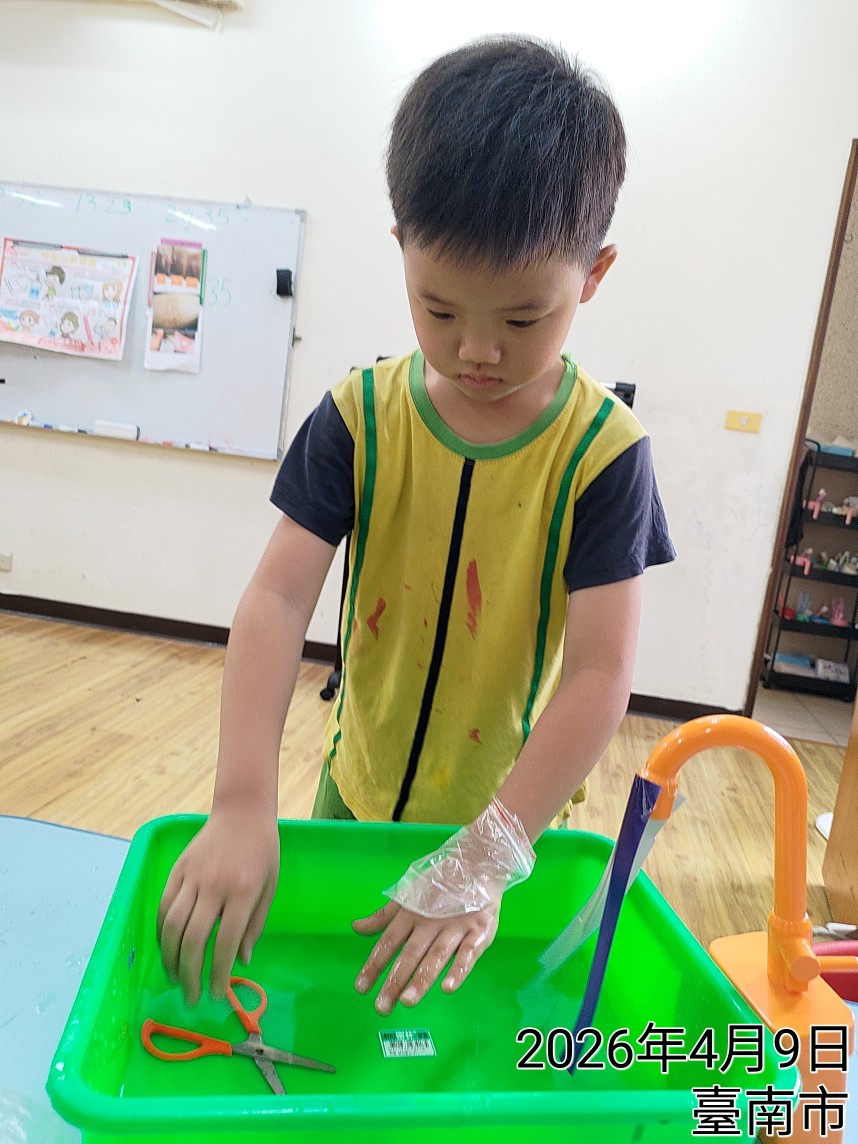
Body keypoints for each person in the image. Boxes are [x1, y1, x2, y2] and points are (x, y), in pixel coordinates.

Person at [157, 34, 675, 1017]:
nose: (477, 350)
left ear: (593, 273)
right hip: (352, 796)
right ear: (401, 247)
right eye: (438, 310)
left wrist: (489, 853)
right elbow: (276, 598)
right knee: (337, 1019)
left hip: (506, 825)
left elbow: (601, 672)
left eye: (522, 320)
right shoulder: (359, 416)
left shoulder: (605, 454)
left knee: (458, 1046)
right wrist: (240, 798)